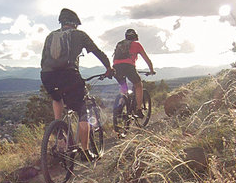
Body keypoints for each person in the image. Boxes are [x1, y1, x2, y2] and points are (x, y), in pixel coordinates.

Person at [40, 8, 115, 160]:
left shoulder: (50, 36)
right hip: (69, 75)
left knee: (57, 98)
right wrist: (108, 68)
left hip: (47, 75)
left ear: (62, 23)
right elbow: (98, 52)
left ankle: (59, 127)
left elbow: (43, 59)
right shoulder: (79, 35)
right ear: (75, 24)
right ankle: (86, 152)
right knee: (83, 110)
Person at [112, 29, 155, 118]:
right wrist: (151, 70)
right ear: (135, 37)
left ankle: (120, 106)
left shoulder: (119, 44)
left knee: (123, 86)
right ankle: (139, 110)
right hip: (129, 67)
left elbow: (115, 58)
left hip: (116, 67)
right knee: (138, 85)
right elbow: (147, 60)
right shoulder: (137, 45)